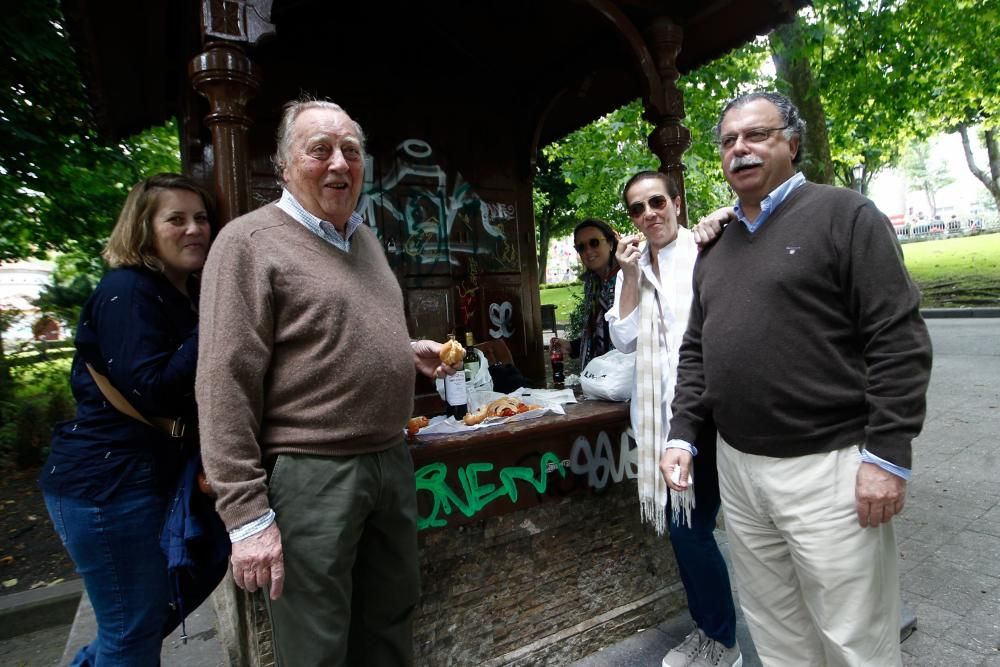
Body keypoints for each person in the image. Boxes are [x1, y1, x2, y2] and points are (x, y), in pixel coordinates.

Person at [663, 91, 932, 665]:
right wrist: (683, 432)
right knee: (777, 633)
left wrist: (887, 456)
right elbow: (696, 351)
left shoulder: (846, 215)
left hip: (829, 469)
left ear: (792, 141)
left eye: (756, 135)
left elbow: (897, 339)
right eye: (729, 141)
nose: (740, 149)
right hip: (738, 468)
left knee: (855, 638)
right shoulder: (716, 245)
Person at [196, 98, 460, 665]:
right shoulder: (247, 244)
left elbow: (332, 331)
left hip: (390, 460)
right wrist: (246, 518)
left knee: (392, 622)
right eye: (320, 149)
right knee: (316, 647)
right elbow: (224, 385)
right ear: (285, 165)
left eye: (351, 150)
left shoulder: (362, 237)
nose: (340, 162)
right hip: (312, 475)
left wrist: (404, 350)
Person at [40, 173, 215, 664]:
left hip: (142, 476)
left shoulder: (177, 294)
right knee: (131, 633)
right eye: (175, 219)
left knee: (135, 624)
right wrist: (219, 318)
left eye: (201, 218)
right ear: (144, 229)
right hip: (106, 483)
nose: (194, 229)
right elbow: (154, 389)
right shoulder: (129, 291)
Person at [606, 171, 741, 667]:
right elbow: (623, 339)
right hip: (663, 420)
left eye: (656, 202)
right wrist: (627, 276)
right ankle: (710, 633)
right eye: (637, 209)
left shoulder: (705, 248)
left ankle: (722, 641)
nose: (649, 215)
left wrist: (725, 215)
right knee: (683, 530)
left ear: (677, 203)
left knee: (691, 532)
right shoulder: (638, 264)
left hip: (703, 418)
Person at [550, 218, 620, 371]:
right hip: (598, 378)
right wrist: (572, 346)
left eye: (594, 242)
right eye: (581, 247)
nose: (588, 251)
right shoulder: (593, 283)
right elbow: (599, 332)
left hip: (622, 378)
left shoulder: (627, 278)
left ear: (610, 243)